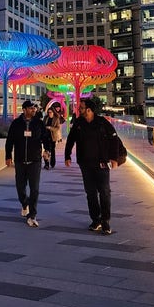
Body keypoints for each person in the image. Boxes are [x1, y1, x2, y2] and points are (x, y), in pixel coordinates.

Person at [64, 98, 121, 235]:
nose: (79, 110)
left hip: (102, 164)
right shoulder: (79, 123)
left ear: (89, 110)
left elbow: (114, 139)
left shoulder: (102, 122)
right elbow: (71, 139)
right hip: (85, 164)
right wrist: (67, 156)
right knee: (90, 193)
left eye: (81, 108)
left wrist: (114, 158)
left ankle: (105, 221)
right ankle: (96, 219)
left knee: (104, 192)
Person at [5, 100, 48, 228]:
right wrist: (8, 156)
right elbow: (9, 140)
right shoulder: (16, 123)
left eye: (34, 108)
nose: (33, 110)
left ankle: (32, 215)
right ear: (24, 110)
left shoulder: (39, 123)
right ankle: (25, 204)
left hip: (35, 161)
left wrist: (47, 150)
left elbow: (45, 138)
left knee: (35, 189)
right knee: (20, 187)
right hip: (20, 161)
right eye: (30, 108)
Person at [42, 103, 64, 170]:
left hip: (53, 136)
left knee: (52, 150)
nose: (49, 114)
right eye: (48, 112)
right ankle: (46, 164)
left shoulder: (56, 119)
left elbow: (57, 128)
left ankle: (52, 162)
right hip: (46, 136)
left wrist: (50, 128)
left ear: (53, 112)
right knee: (46, 150)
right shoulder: (46, 118)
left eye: (50, 112)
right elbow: (43, 125)